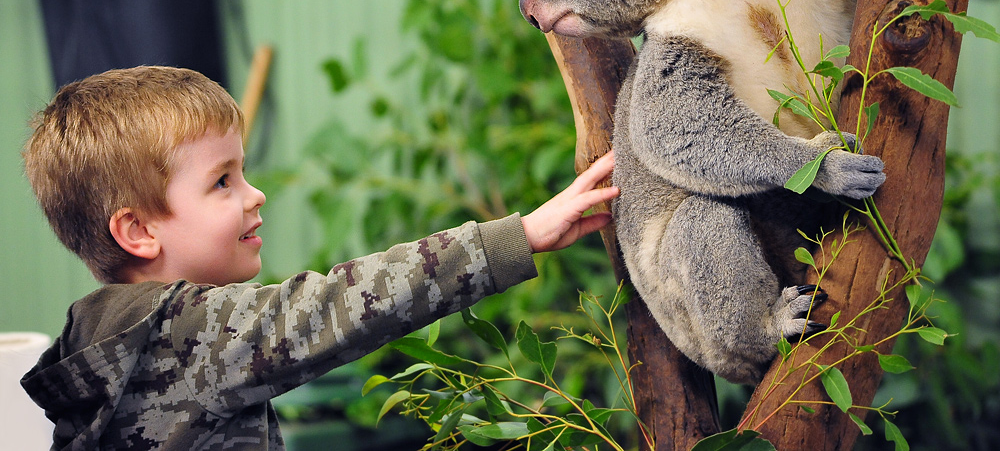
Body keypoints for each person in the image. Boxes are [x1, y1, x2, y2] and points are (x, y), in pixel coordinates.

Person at [19, 65, 618, 449]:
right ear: (138, 231)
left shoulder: (95, 337)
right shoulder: (181, 333)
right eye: (222, 181)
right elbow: (339, 305)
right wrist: (519, 236)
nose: (255, 194)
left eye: (242, 171)